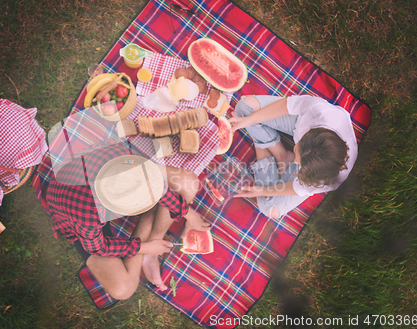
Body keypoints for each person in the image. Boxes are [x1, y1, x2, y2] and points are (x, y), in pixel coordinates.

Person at [45, 144, 209, 300]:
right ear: (117, 210)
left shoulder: (121, 158)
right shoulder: (88, 217)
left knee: (188, 183)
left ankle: (151, 235)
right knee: (123, 289)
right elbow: (98, 247)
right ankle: (148, 230)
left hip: (95, 178)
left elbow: (151, 183)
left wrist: (187, 212)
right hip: (73, 216)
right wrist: (144, 247)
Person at [229, 95, 358, 219]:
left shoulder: (326, 179)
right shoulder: (317, 111)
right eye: (296, 151)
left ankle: (265, 148)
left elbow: (296, 188)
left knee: (269, 208)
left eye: (298, 164)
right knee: (244, 108)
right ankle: (279, 154)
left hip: (314, 167)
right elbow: (287, 104)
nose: (296, 161)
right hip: (301, 121)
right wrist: (249, 120)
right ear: (307, 133)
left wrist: (264, 191)